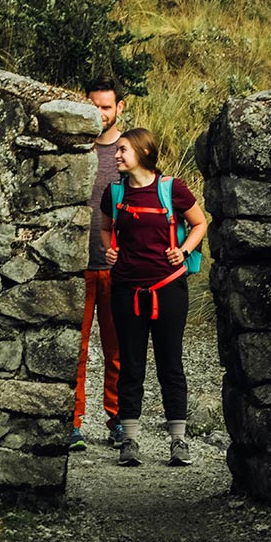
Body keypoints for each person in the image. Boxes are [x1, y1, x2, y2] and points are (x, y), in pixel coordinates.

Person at [100, 128, 208, 467]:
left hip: (169, 290)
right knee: (130, 365)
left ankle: (178, 442)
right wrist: (109, 250)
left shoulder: (171, 189)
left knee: (170, 365)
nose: (116, 156)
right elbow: (106, 228)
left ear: (144, 153)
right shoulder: (114, 191)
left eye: (123, 150)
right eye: (117, 151)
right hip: (126, 291)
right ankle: (129, 441)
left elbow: (199, 222)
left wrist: (184, 250)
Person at [70, 77, 126, 452]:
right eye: (94, 106)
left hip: (116, 266)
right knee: (74, 350)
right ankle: (71, 424)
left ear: (120, 107)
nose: (100, 114)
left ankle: (119, 420)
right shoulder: (71, 148)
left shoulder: (129, 150)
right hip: (75, 265)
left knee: (118, 349)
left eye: (107, 107)